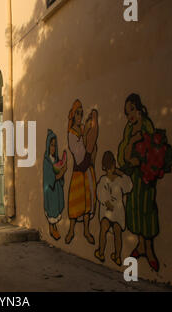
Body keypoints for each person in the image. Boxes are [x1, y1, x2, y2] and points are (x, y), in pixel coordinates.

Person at [117, 93, 162, 271]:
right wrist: (132, 144)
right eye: (128, 113)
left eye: (132, 110)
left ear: (139, 109)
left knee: (147, 210)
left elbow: (153, 150)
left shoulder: (146, 126)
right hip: (134, 178)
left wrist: (139, 160)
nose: (130, 116)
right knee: (135, 209)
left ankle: (149, 249)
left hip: (146, 177)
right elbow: (124, 154)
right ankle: (141, 245)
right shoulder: (129, 130)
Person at [66, 100, 98, 245]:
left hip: (87, 171)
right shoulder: (71, 134)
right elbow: (79, 153)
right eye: (78, 113)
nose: (80, 116)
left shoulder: (83, 129)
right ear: (73, 115)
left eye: (81, 113)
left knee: (87, 203)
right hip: (79, 171)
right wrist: (86, 139)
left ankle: (86, 230)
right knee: (75, 203)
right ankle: (71, 230)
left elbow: (89, 145)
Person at [94, 151, 133, 266]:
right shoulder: (119, 180)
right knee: (118, 234)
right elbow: (129, 186)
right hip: (118, 213)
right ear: (114, 164)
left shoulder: (103, 180)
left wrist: (107, 202)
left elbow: (100, 194)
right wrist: (121, 173)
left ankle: (101, 252)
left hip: (107, 212)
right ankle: (117, 256)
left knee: (103, 230)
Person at [43, 130, 67, 240]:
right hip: (50, 191)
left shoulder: (56, 159)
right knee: (51, 209)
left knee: (56, 208)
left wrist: (61, 174)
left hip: (56, 190)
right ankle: (52, 228)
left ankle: (54, 226)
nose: (53, 148)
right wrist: (62, 172)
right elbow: (50, 178)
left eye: (55, 145)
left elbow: (59, 178)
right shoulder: (47, 161)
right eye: (51, 145)